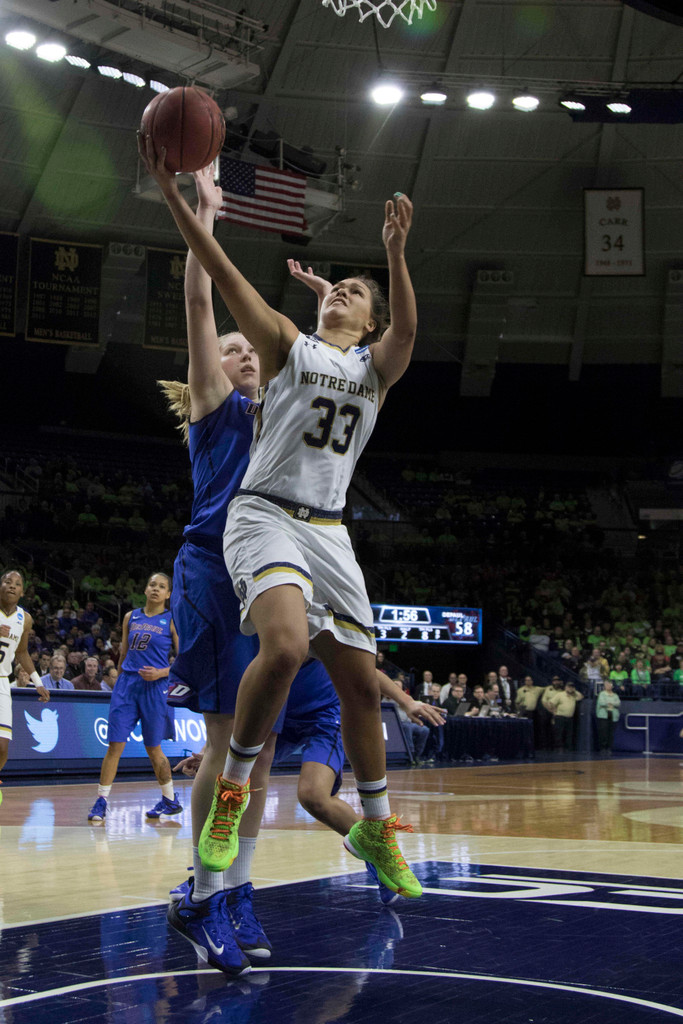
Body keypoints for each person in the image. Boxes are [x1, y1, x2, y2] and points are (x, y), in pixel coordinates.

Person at [140, 139, 421, 900]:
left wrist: (390, 259)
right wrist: (183, 200)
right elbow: (217, 282)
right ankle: (222, 817)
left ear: (367, 320)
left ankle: (374, 827)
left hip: (326, 530)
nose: (343, 295)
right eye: (341, 290)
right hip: (254, 523)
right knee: (287, 647)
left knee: (359, 686)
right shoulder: (280, 352)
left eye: (355, 296)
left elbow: (399, 337)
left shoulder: (362, 367)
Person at [87, 572, 180, 823]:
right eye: (152, 584)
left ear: (168, 594)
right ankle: (101, 801)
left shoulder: (172, 620)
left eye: (161, 587)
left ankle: (170, 799)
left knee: (154, 749)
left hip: (155, 687)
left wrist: (162, 672)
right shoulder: (131, 616)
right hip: (127, 684)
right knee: (115, 745)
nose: (156, 589)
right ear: (145, 589)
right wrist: (119, 681)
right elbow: (124, 654)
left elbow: (185, 660)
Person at [0, 570, 50, 793]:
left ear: (22, 592)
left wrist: (38, 682)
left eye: (17, 584)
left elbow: (22, 652)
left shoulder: (25, 618)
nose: (12, 586)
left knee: (2, 747)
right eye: (7, 581)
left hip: (2, 681)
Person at [595, 679, 621, 754]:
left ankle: (609, 748)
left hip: (613, 716)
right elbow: (602, 702)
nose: (608, 686)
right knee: (603, 732)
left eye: (609, 685)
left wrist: (609, 703)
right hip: (603, 716)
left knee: (611, 733)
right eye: (606, 685)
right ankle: (603, 748)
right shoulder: (602, 694)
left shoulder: (615, 695)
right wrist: (611, 703)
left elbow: (618, 703)